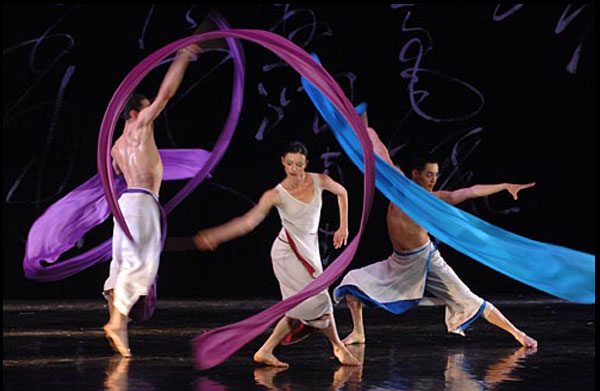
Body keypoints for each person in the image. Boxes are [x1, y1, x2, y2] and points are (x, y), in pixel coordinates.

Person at [334, 109, 538, 349]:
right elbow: (376, 149)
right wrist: (363, 125)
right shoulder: (397, 185)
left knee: (467, 298)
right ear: (415, 174)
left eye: (436, 175)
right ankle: (359, 332)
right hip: (399, 261)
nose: (433, 180)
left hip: (426, 259)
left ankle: (517, 333)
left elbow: (467, 192)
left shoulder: (434, 199)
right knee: (352, 282)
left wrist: (503, 185)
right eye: (429, 175)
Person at [193, 141, 361, 367]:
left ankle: (265, 350)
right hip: (288, 254)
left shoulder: (318, 180)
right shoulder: (275, 194)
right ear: (283, 162)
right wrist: (218, 235)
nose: (294, 169)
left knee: (298, 308)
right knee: (319, 302)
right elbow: (247, 223)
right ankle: (338, 347)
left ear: (306, 164)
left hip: (309, 251)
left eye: (299, 164)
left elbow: (342, 192)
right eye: (290, 163)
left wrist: (344, 226)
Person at [103, 41, 204, 357]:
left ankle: (117, 326)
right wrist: (183, 59)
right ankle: (117, 323)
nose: (152, 115)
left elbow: (113, 176)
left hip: (123, 205)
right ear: (134, 112)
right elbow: (166, 94)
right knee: (142, 267)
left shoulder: (115, 147)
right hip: (143, 203)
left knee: (120, 264)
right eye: (145, 110)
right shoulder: (141, 126)